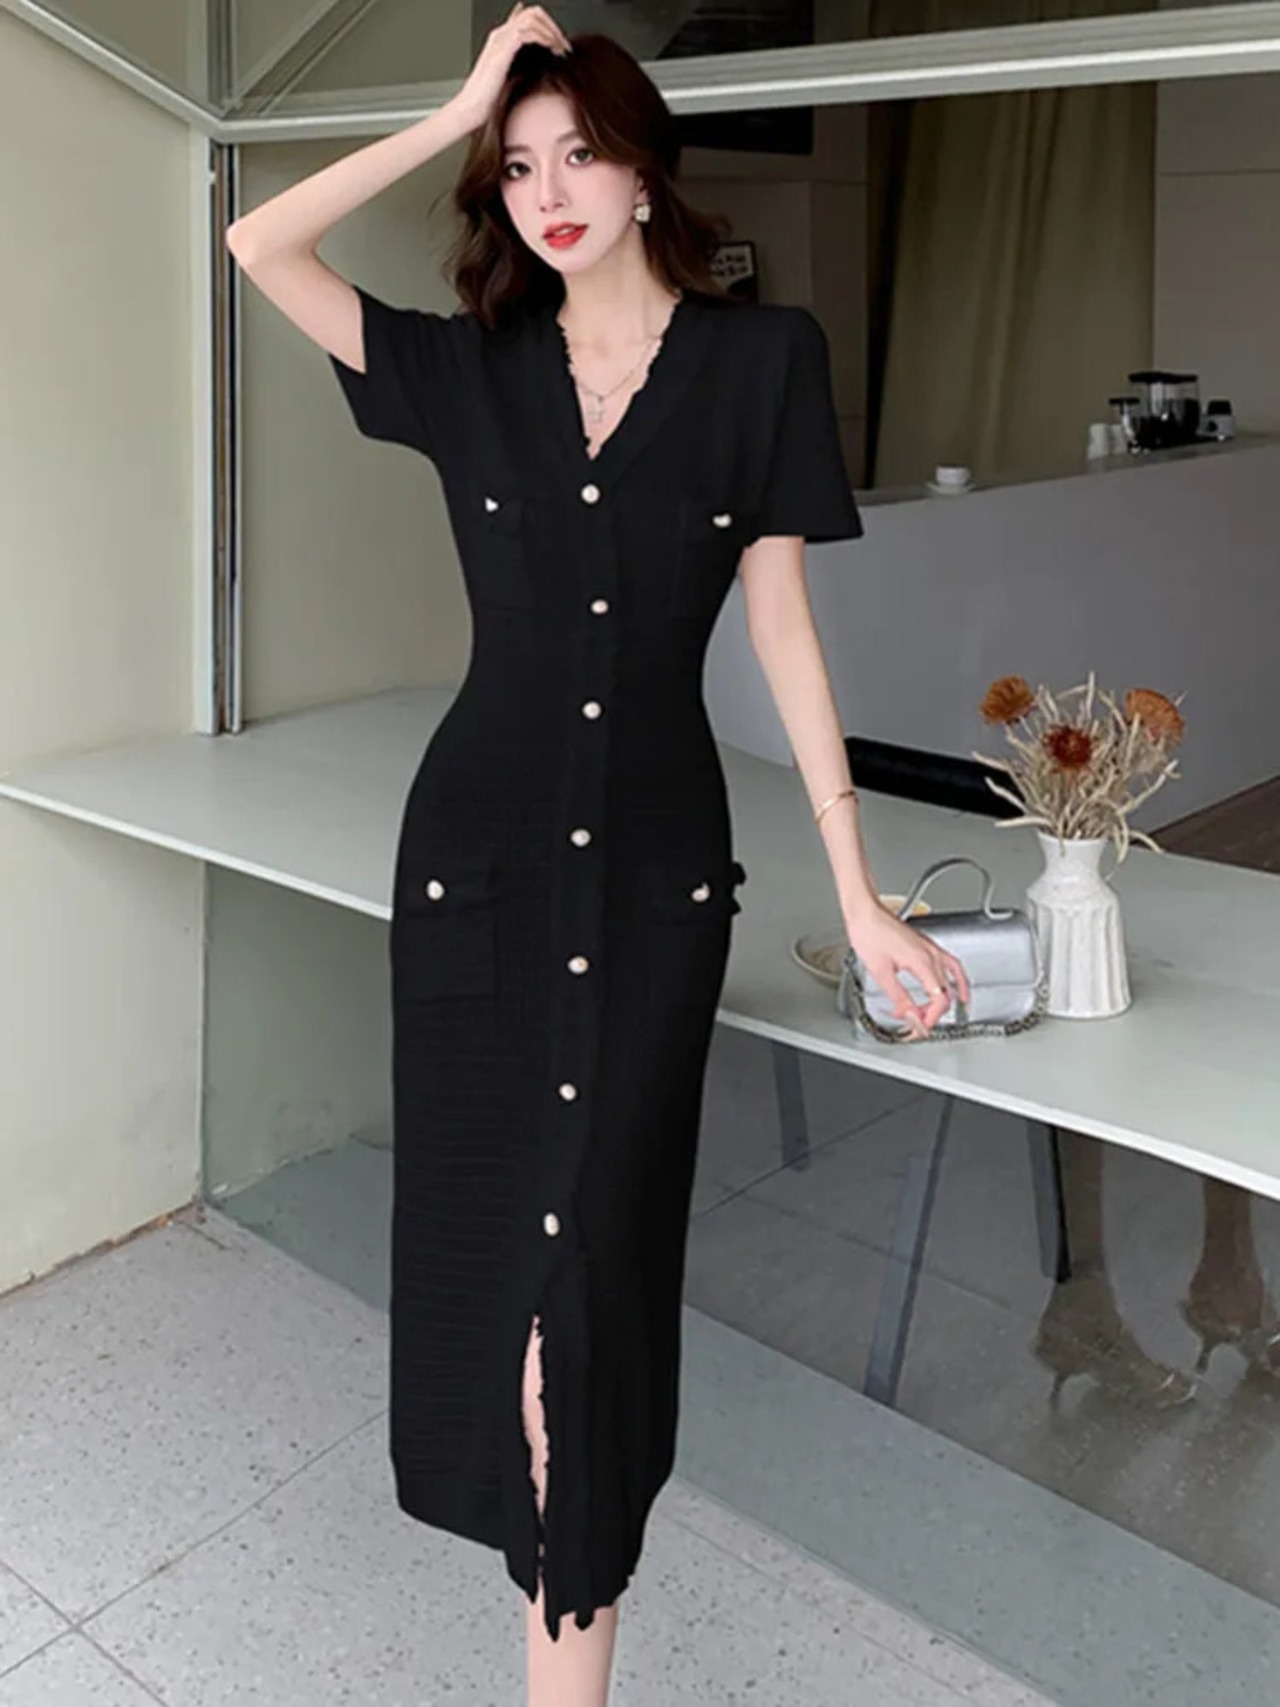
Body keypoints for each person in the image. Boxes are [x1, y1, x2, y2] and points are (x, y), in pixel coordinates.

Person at [226, 7, 969, 1703]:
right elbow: (260, 241)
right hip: (476, 874)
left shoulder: (760, 362)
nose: (550, 191)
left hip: (652, 880)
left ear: (646, 172)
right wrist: (457, 107)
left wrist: (858, 893)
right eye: (519, 166)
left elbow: (781, 633)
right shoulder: (467, 371)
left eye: (581, 153)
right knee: (504, 1279)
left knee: (595, 1283)